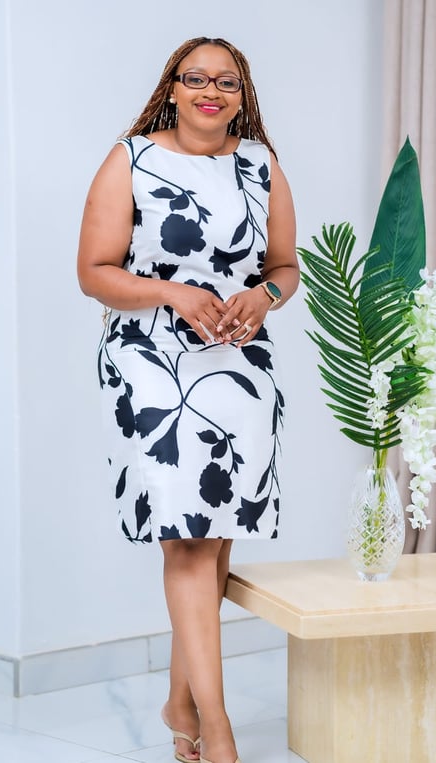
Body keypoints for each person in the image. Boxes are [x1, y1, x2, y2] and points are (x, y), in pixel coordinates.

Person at [77, 37, 298, 763]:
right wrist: (172, 290)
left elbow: (284, 268)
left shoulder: (261, 165)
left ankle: (181, 703)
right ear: (172, 87)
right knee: (187, 535)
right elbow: (94, 273)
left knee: (216, 536)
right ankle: (219, 725)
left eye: (226, 81)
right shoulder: (132, 159)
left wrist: (260, 298)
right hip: (150, 363)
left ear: (242, 93)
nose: (211, 90)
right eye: (195, 78)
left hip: (238, 360)